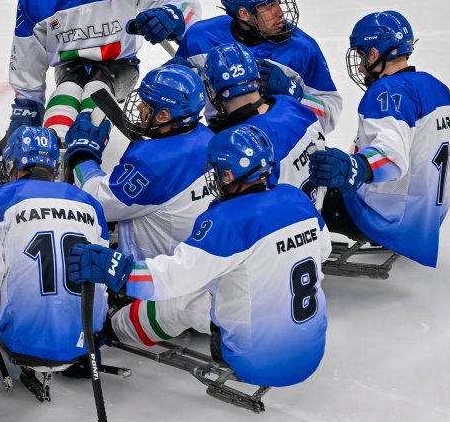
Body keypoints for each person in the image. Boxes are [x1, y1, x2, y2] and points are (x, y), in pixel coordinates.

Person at [67, 125, 330, 388]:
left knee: (183, 299)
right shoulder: (296, 198)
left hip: (259, 361)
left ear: (228, 175)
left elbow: (170, 280)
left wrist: (118, 270)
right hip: (313, 349)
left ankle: (114, 327)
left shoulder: (228, 221)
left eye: (216, 169)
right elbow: (323, 250)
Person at [8, 0, 201, 140]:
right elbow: (26, 57)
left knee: (97, 86)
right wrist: (27, 110)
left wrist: (171, 15)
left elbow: (186, 2)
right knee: (68, 88)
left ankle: (86, 144)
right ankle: (55, 142)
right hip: (71, 68)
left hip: (121, 66)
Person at [307, 11, 450, 267]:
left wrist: (352, 168)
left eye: (362, 55)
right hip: (430, 216)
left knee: (301, 178)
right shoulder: (438, 88)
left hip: (383, 218)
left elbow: (391, 158)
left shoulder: (386, 92)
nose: (360, 66)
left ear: (375, 54)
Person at [0, 126, 108, 400]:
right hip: (84, 341)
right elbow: (101, 278)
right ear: (55, 165)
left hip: (22, 341)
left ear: (13, 163)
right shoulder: (91, 204)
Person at [65, 64, 214, 261]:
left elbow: (96, 200)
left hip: (156, 277)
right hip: (198, 266)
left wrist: (83, 154)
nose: (138, 107)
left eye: (145, 103)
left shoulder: (150, 163)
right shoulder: (209, 137)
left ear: (163, 116)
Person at [174, 0, 342, 135]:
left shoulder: (302, 49)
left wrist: (294, 94)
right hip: (222, 143)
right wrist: (176, 78)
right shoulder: (200, 39)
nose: (280, 13)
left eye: (278, 1)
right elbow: (174, 98)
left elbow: (330, 114)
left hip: (283, 143)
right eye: (269, 6)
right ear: (244, 13)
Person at [202, 42, 326, 196]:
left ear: (212, 89)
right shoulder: (292, 104)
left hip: (286, 216)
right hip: (315, 211)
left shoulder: (244, 144)